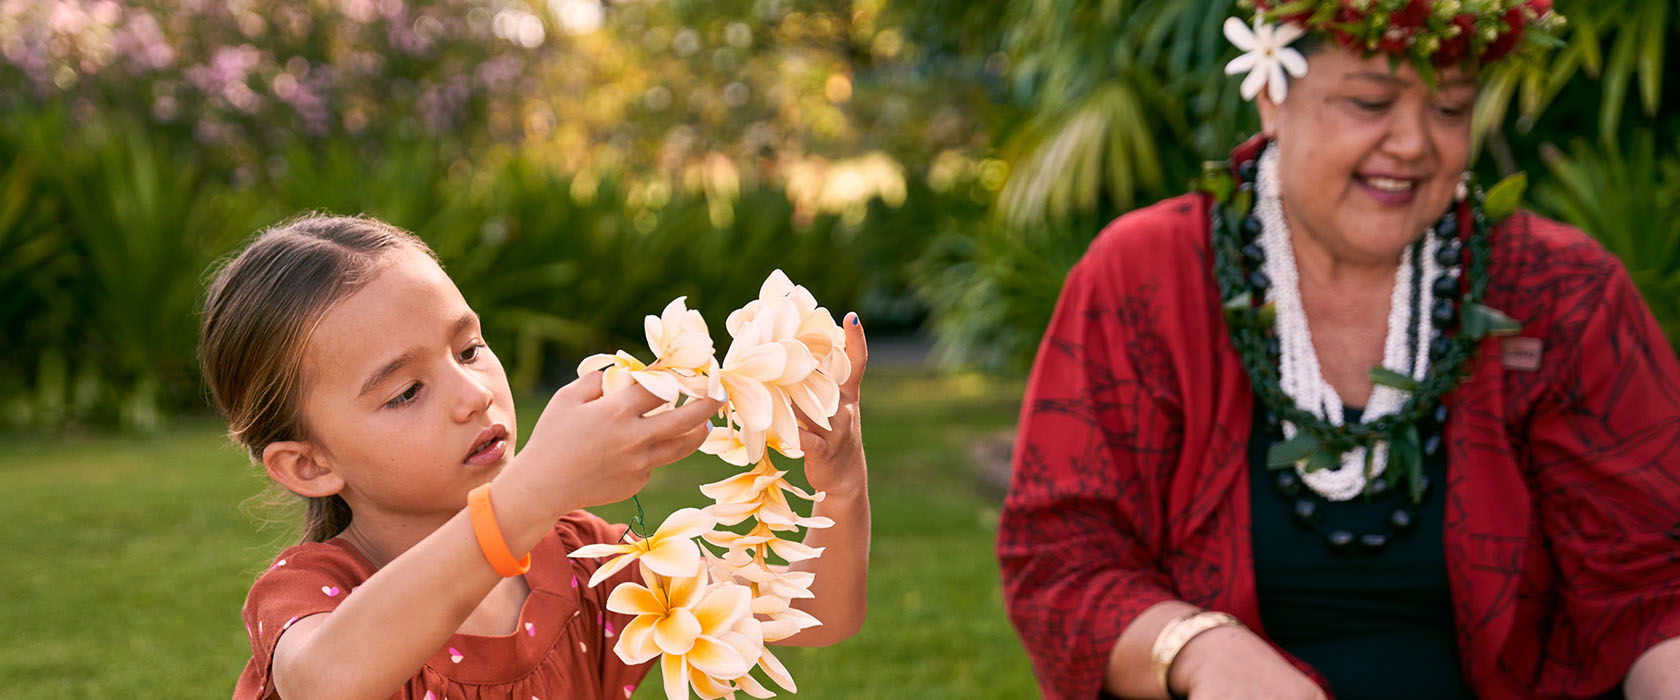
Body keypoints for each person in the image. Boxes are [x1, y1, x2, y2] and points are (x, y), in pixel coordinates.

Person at [996, 2, 1680, 699]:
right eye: (1370, 102)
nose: (1414, 143)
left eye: (1450, 110)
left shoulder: (1558, 289)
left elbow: (1656, 585)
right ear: (1271, 96)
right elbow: (1061, 561)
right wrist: (1196, 649)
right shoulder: (1149, 275)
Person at [201, 214, 871, 700]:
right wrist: (532, 493)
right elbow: (325, 681)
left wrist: (839, 485)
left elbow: (818, 615)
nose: (474, 395)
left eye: (469, 349)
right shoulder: (312, 591)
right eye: (406, 391)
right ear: (310, 465)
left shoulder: (584, 561)